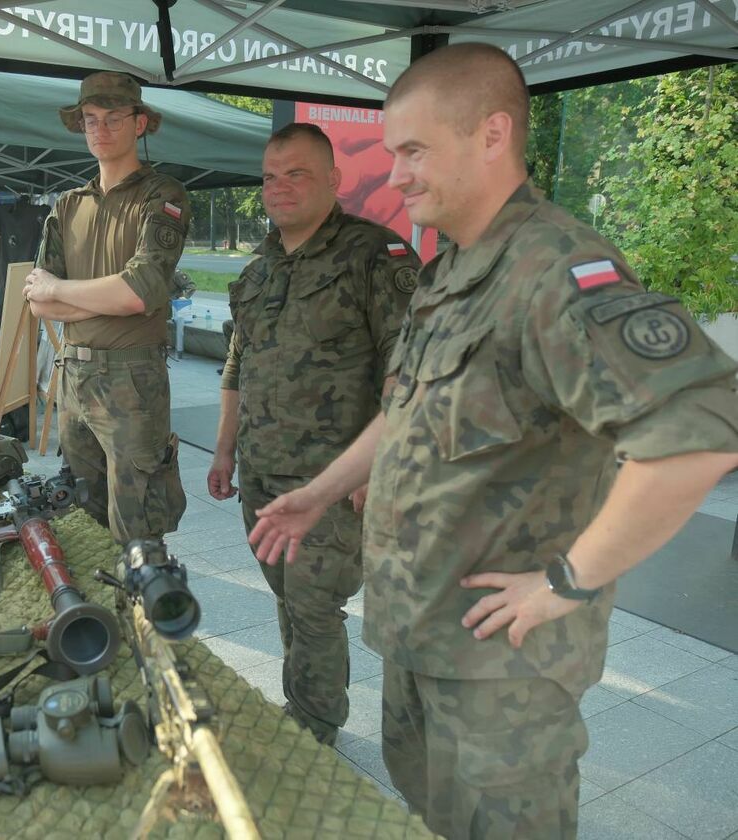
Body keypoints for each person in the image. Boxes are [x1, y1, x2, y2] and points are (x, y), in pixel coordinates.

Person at [248, 43, 738, 839]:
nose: (397, 174)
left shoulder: (555, 268)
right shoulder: (454, 271)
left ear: (491, 134)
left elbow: (699, 433)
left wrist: (568, 583)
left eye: (413, 151)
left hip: (502, 674)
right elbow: (406, 410)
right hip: (422, 637)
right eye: (391, 151)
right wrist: (321, 492)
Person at [207, 123, 419, 745]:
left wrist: (374, 469)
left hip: (330, 478)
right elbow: (237, 364)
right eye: (271, 177)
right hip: (263, 472)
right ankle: (307, 706)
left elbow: (406, 367)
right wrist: (224, 450)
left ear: (333, 179)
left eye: (296, 174)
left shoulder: (375, 256)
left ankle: (313, 727)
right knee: (285, 594)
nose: (280, 188)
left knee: (313, 604)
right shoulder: (258, 269)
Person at [24, 71, 188, 543]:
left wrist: (63, 288)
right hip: (74, 377)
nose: (100, 128)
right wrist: (99, 299)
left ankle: (142, 613)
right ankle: (99, 616)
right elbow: (38, 302)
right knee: (81, 521)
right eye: (90, 119)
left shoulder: (162, 195)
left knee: (137, 530)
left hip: (132, 383)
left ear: (140, 123)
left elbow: (141, 289)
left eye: (113, 118)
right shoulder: (68, 206)